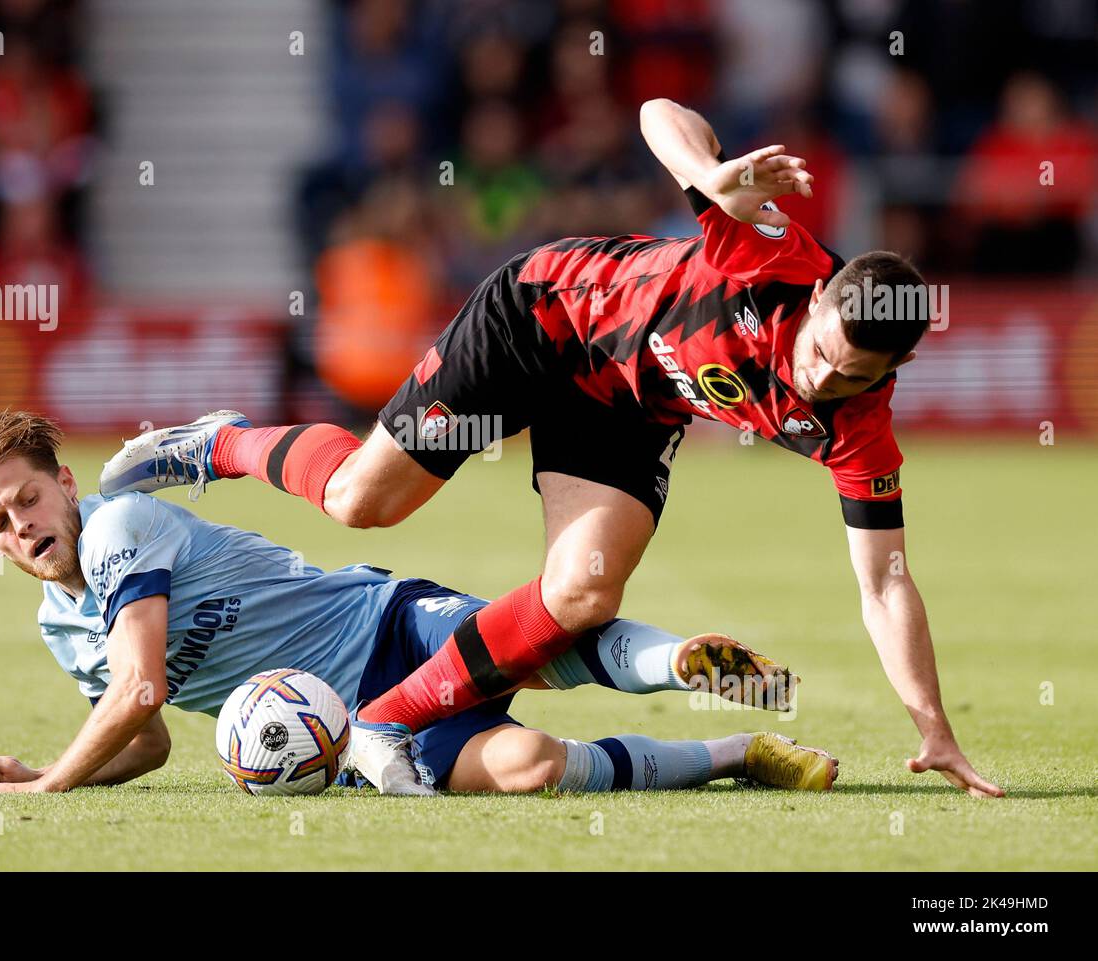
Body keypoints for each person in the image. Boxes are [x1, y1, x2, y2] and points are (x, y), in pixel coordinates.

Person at [100, 99, 1001, 799]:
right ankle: (219, 443)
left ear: (895, 365)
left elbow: (884, 579)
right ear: (822, 303)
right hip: (542, 317)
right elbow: (658, 115)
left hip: (627, 404)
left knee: (582, 591)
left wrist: (933, 724)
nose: (818, 381)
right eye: (817, 353)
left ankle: (384, 720)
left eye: (846, 377)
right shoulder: (769, 254)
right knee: (362, 503)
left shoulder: (860, 426)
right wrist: (713, 171)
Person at [0, 410, 835, 796]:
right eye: (0, 521)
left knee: (547, 643)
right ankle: (739, 751)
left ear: (64, 482)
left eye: (28, 499)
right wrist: (45, 769)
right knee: (531, 769)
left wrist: (50, 788)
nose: (22, 525)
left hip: (382, 622)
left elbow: (140, 693)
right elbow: (150, 740)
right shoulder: (60, 626)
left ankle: (680, 663)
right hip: (359, 724)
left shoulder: (120, 523)